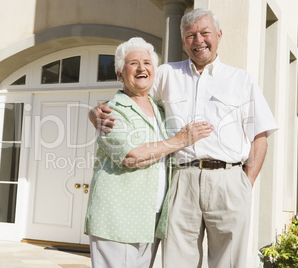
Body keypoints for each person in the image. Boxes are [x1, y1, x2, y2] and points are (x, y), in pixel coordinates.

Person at [90, 9, 278, 268]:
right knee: (178, 261)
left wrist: (247, 182)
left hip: (229, 180)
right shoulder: (167, 74)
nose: (198, 40)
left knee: (229, 262)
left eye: (205, 33)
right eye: (190, 35)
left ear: (219, 35)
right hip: (182, 180)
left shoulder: (241, 80)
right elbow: (133, 92)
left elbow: (260, 134)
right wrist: (97, 110)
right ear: (183, 41)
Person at [84, 37, 213, 268]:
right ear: (119, 74)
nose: (141, 67)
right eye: (133, 63)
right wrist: (180, 140)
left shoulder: (160, 109)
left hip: (150, 218)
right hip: (118, 217)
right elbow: (131, 156)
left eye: (147, 62)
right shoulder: (111, 111)